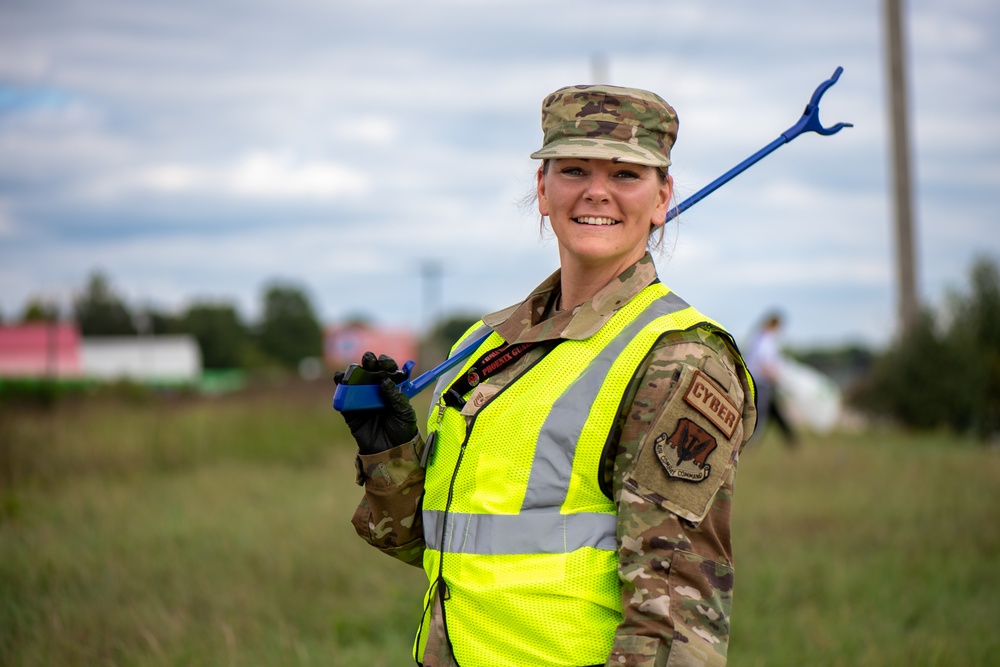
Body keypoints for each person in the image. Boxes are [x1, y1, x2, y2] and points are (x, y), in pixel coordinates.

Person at [334, 84, 757, 667]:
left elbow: (677, 609)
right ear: (542, 188)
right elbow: (447, 547)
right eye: (575, 169)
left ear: (663, 198)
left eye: (627, 175)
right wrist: (390, 454)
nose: (596, 192)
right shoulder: (483, 344)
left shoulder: (676, 358)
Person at [744, 311, 798, 447]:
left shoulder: (758, 337)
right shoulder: (765, 340)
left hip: (761, 381)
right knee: (759, 412)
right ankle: (751, 440)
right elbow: (764, 363)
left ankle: (791, 440)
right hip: (760, 381)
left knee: (773, 411)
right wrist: (776, 378)